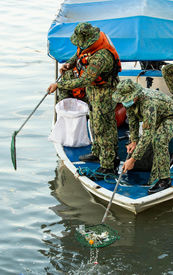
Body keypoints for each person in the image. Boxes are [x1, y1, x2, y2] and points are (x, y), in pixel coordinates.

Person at [47, 22, 121, 179]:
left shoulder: (101, 57)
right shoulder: (88, 45)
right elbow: (78, 54)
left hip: (105, 93)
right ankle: (98, 152)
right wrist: (70, 63)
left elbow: (84, 80)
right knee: (94, 123)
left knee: (104, 127)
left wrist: (59, 84)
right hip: (93, 92)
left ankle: (109, 165)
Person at [112, 79, 173, 194]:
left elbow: (147, 135)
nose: (124, 102)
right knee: (152, 142)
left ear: (135, 96)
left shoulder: (148, 103)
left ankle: (165, 179)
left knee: (159, 140)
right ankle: (154, 178)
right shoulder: (130, 102)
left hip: (171, 116)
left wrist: (133, 159)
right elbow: (133, 121)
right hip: (157, 116)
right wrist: (133, 141)